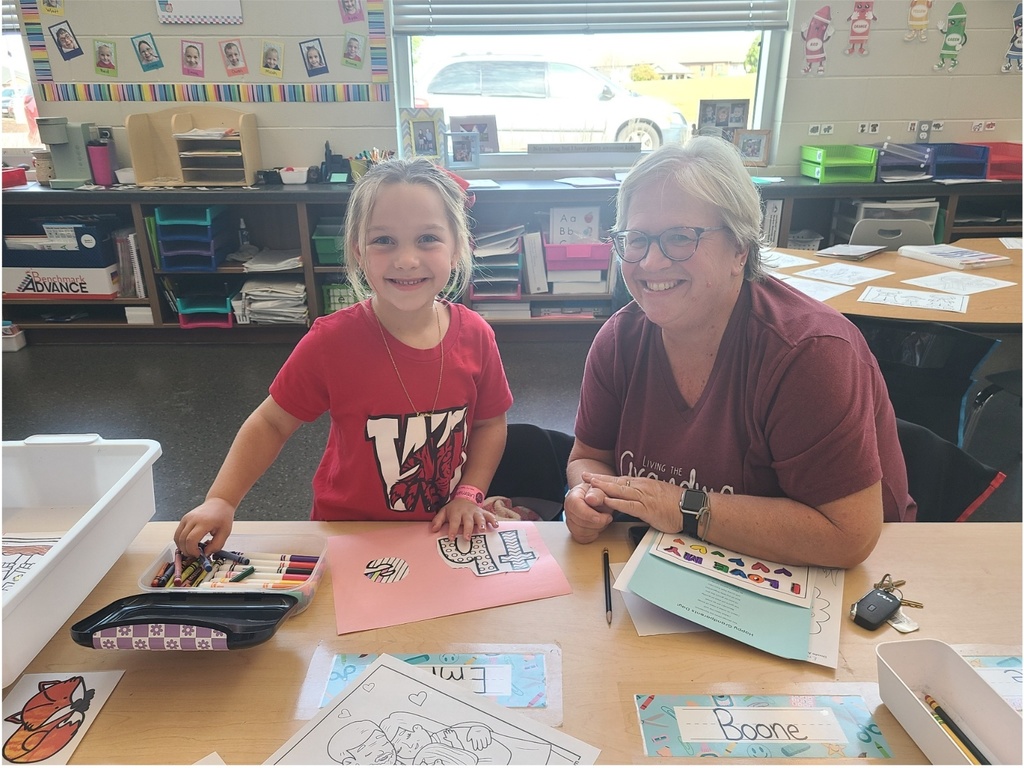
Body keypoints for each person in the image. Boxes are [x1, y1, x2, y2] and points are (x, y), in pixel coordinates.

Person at [563, 137, 914, 569]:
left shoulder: (809, 353)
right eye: (635, 240)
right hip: (675, 565)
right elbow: (589, 456)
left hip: (834, 582)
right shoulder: (619, 340)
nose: (650, 263)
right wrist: (585, 495)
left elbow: (848, 537)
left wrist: (682, 507)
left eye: (679, 238)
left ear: (740, 249)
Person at [174, 158, 513, 557]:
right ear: (358, 252)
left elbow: (491, 424)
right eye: (384, 240)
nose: (406, 259)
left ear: (456, 248)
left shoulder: (476, 335)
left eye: (427, 239)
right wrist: (222, 499)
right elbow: (270, 422)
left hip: (440, 532)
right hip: (347, 532)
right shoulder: (331, 342)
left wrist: (470, 494)